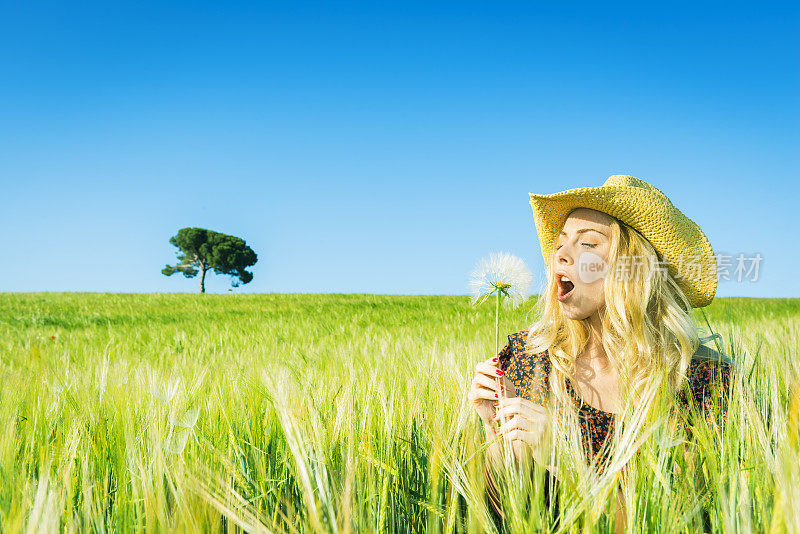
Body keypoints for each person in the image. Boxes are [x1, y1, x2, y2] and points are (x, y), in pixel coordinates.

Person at [467, 175, 734, 532]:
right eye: (561, 243)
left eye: (588, 244)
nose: (560, 254)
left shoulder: (701, 379)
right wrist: (495, 431)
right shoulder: (529, 360)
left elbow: (680, 517)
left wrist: (566, 458)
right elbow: (503, 515)